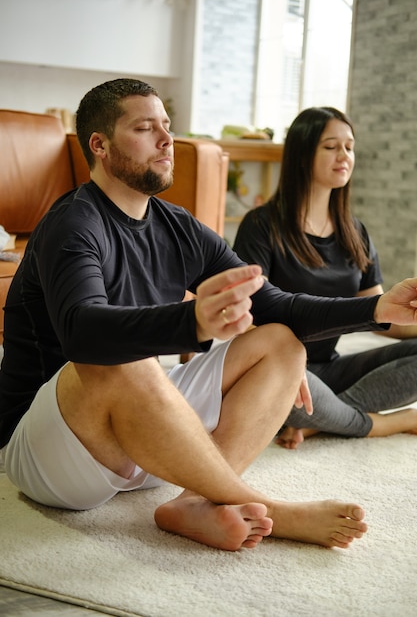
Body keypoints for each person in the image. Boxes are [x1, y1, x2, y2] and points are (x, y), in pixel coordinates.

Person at [1, 82, 417, 554]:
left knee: (282, 343)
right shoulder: (74, 223)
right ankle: (268, 508)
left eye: (167, 127)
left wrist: (376, 310)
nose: (166, 140)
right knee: (122, 356)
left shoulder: (178, 227)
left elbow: (275, 305)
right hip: (50, 454)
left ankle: (196, 499)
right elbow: (83, 333)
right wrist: (193, 321)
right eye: (144, 128)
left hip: (140, 442)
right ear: (100, 145)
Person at [233, 106, 417, 450]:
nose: (344, 155)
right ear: (303, 155)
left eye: (349, 147)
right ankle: (382, 423)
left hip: (328, 370)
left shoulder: (354, 231)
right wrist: (287, 371)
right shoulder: (261, 226)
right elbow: (246, 320)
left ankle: (324, 420)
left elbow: (381, 317)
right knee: (281, 392)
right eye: (331, 146)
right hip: (277, 371)